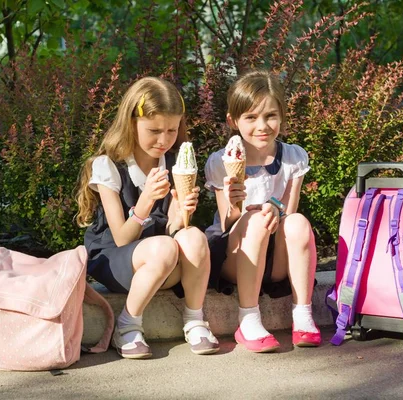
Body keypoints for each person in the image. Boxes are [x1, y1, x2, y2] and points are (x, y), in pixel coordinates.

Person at [75, 77, 219, 359]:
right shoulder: (108, 166)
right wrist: (146, 199)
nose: (164, 139)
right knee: (164, 247)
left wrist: (180, 212)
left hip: (160, 261)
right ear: (132, 123)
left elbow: (172, 230)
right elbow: (121, 237)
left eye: (172, 130)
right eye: (153, 130)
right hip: (115, 260)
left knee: (194, 237)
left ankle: (194, 320)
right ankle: (127, 325)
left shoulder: (176, 161)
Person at [204, 70, 320, 353]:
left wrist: (275, 206)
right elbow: (226, 224)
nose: (262, 125)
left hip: (276, 260)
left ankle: (302, 315)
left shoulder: (293, 157)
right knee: (254, 221)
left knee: (299, 223)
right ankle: (248, 319)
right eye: (251, 117)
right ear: (233, 121)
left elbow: (289, 211)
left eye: (270, 116)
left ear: (282, 115)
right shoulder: (222, 162)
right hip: (238, 256)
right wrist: (234, 204)